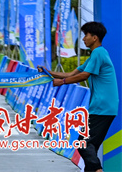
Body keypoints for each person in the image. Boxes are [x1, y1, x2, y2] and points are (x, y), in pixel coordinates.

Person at [40, 22, 118, 172]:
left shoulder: (98, 53)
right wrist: (47, 72)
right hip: (103, 106)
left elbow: (84, 75)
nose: (83, 39)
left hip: (102, 107)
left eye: (85, 35)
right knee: (90, 146)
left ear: (94, 38)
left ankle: (98, 170)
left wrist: (62, 82)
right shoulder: (95, 55)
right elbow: (71, 74)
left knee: (83, 143)